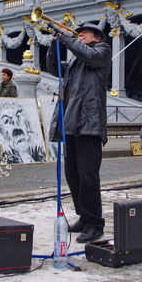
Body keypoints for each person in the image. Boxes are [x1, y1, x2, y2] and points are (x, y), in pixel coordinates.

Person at [46, 21, 111, 244]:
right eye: (79, 32)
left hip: (90, 124)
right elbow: (54, 69)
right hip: (71, 123)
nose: (80, 35)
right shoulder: (76, 61)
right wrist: (54, 42)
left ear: (97, 37)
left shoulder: (102, 52)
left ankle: (95, 223)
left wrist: (66, 38)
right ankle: (84, 216)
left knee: (88, 175)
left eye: (85, 33)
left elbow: (88, 55)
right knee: (73, 174)